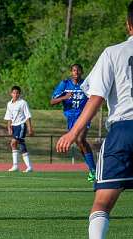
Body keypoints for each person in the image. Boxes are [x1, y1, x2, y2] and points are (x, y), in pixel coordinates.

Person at [56, 2, 133, 238]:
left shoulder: (113, 52)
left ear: (128, 24)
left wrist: (73, 132)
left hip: (124, 131)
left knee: (101, 204)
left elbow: (96, 97)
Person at [51, 64, 96, 182]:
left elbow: (94, 98)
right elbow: (52, 101)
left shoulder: (86, 84)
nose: (76, 72)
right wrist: (64, 97)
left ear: (81, 72)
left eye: (78, 70)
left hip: (83, 116)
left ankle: (94, 170)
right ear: (71, 72)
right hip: (71, 118)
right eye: (74, 70)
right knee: (79, 142)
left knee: (80, 139)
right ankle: (92, 169)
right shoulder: (65, 84)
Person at [4, 86, 34, 172]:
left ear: (19, 94)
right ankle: (16, 166)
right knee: (15, 144)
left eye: (17, 93)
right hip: (14, 126)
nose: (15, 94)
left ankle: (28, 166)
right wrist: (9, 127)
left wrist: (30, 128)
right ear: (11, 94)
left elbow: (28, 116)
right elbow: (9, 116)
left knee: (16, 143)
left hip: (21, 125)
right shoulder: (9, 104)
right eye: (14, 93)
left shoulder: (23, 103)